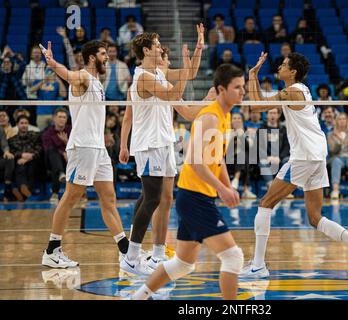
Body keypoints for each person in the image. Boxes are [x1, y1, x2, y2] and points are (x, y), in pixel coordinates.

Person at [240, 52, 348, 279]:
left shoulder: (293, 92)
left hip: (304, 157)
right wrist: (253, 75)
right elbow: (258, 105)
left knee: (265, 204)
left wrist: (252, 78)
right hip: (316, 156)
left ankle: (258, 265)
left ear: (293, 71)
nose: (279, 67)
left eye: (283, 65)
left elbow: (256, 108)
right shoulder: (298, 90)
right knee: (315, 218)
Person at [131, 64, 244, 300]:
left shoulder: (225, 114)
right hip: (194, 198)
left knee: (183, 264)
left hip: (195, 197)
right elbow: (194, 161)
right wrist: (222, 189)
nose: (243, 91)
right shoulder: (210, 116)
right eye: (237, 87)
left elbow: (217, 158)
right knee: (233, 257)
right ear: (221, 89)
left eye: (243, 87)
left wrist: (227, 185)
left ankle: (137, 297)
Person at [119, 26, 205, 275]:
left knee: (161, 198)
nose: (160, 48)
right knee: (153, 198)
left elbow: (191, 73)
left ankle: (155, 255)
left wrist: (198, 48)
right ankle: (132, 256)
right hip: (149, 143)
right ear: (146, 50)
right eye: (156, 45)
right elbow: (172, 95)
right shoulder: (143, 77)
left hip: (164, 142)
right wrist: (124, 144)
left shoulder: (159, 71)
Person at [40, 40, 130, 268]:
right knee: (72, 196)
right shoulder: (83, 77)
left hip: (98, 149)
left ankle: (126, 252)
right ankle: (52, 250)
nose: (107, 57)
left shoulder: (98, 82)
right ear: (91, 58)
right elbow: (69, 75)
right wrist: (52, 64)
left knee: (109, 198)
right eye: (103, 54)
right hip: (83, 148)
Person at [7, 115, 42, 201]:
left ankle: (22, 193)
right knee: (20, 166)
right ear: (17, 125)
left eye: (26, 123)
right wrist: (21, 155)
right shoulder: (12, 139)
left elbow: (40, 148)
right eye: (22, 123)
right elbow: (12, 152)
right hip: (19, 162)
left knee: (31, 167)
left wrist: (30, 157)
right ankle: (24, 190)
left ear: (28, 125)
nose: (24, 125)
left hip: (33, 160)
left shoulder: (35, 135)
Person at [41, 108, 71, 204]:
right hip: (51, 160)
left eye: (64, 117)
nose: (62, 119)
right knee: (53, 154)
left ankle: (55, 193)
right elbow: (47, 149)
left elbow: (77, 147)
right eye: (60, 117)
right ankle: (61, 173)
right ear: (54, 118)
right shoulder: (47, 132)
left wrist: (66, 142)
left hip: (69, 159)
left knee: (56, 169)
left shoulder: (71, 130)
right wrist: (63, 152)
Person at [0, 125, 15, 201]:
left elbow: (4, 143)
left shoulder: (0, 129)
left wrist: (6, 152)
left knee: (10, 158)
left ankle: (7, 190)